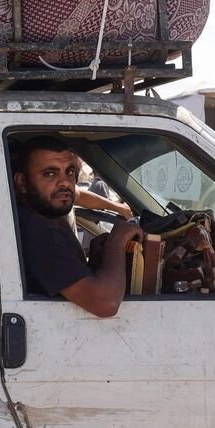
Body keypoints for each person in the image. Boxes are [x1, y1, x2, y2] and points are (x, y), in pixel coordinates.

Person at [14, 136, 143, 317]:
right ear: (21, 182)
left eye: (70, 172)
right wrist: (117, 242)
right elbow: (106, 303)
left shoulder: (36, 217)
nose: (65, 182)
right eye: (49, 174)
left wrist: (100, 259)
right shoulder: (40, 233)